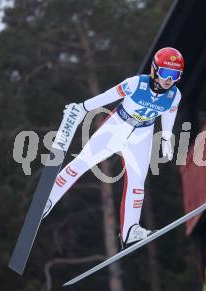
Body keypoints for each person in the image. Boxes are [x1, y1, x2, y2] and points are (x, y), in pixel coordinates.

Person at [42, 47, 184, 249]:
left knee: (137, 182)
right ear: (154, 70)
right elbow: (108, 96)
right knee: (82, 163)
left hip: (142, 136)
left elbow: (169, 113)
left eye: (175, 75)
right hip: (117, 127)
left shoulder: (174, 95)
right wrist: (83, 107)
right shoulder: (137, 83)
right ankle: (47, 199)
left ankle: (130, 231)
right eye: (165, 73)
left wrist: (167, 137)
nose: (169, 80)